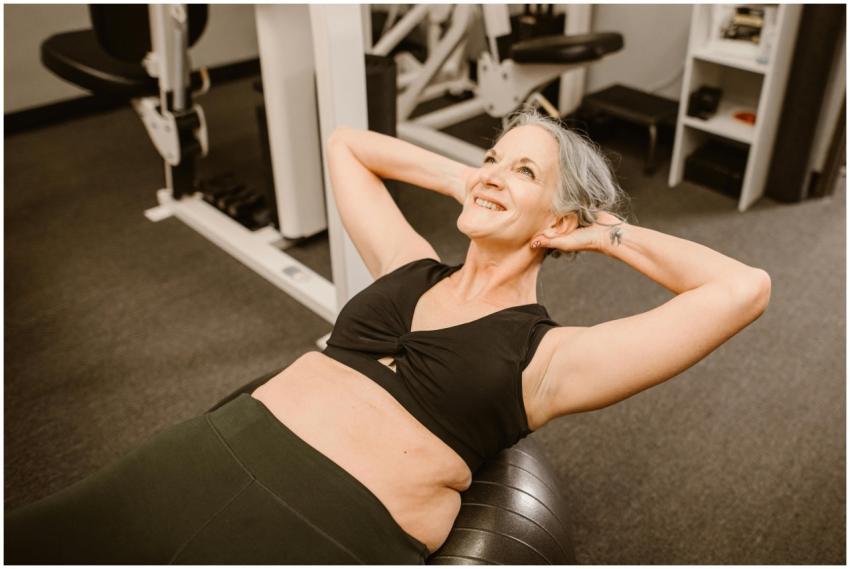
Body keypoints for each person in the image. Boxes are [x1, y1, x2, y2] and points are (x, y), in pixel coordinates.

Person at [5, 110, 771, 564]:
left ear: (561, 223)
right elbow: (346, 144)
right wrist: (475, 179)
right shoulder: (410, 267)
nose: (494, 173)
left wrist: (603, 233)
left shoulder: (550, 359)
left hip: (324, 523)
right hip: (209, 451)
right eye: (491, 157)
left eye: (524, 172)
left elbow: (743, 289)